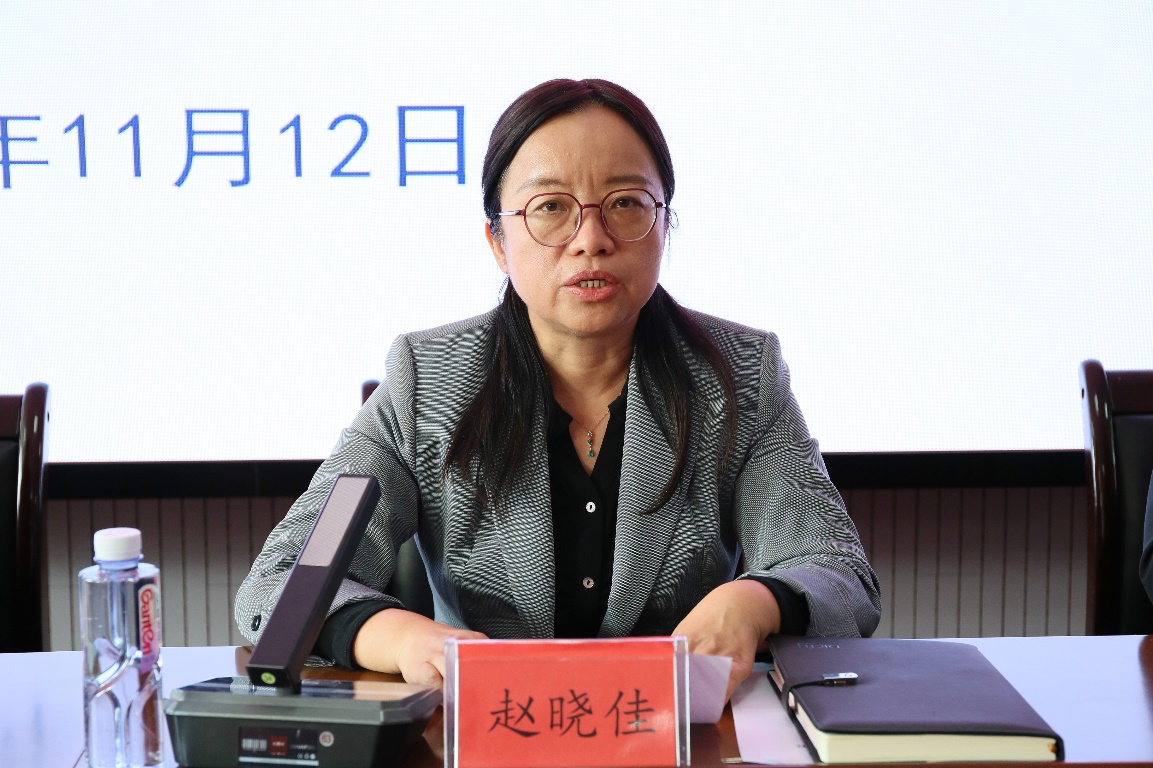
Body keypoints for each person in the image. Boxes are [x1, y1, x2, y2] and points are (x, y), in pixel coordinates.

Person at [236, 78, 881, 700]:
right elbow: (281, 583)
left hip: (679, 729)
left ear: (665, 225)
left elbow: (838, 573)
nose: (591, 241)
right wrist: (399, 637)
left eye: (626, 203)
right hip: (488, 724)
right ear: (498, 241)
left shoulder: (739, 374)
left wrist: (755, 600)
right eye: (550, 208)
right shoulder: (426, 379)